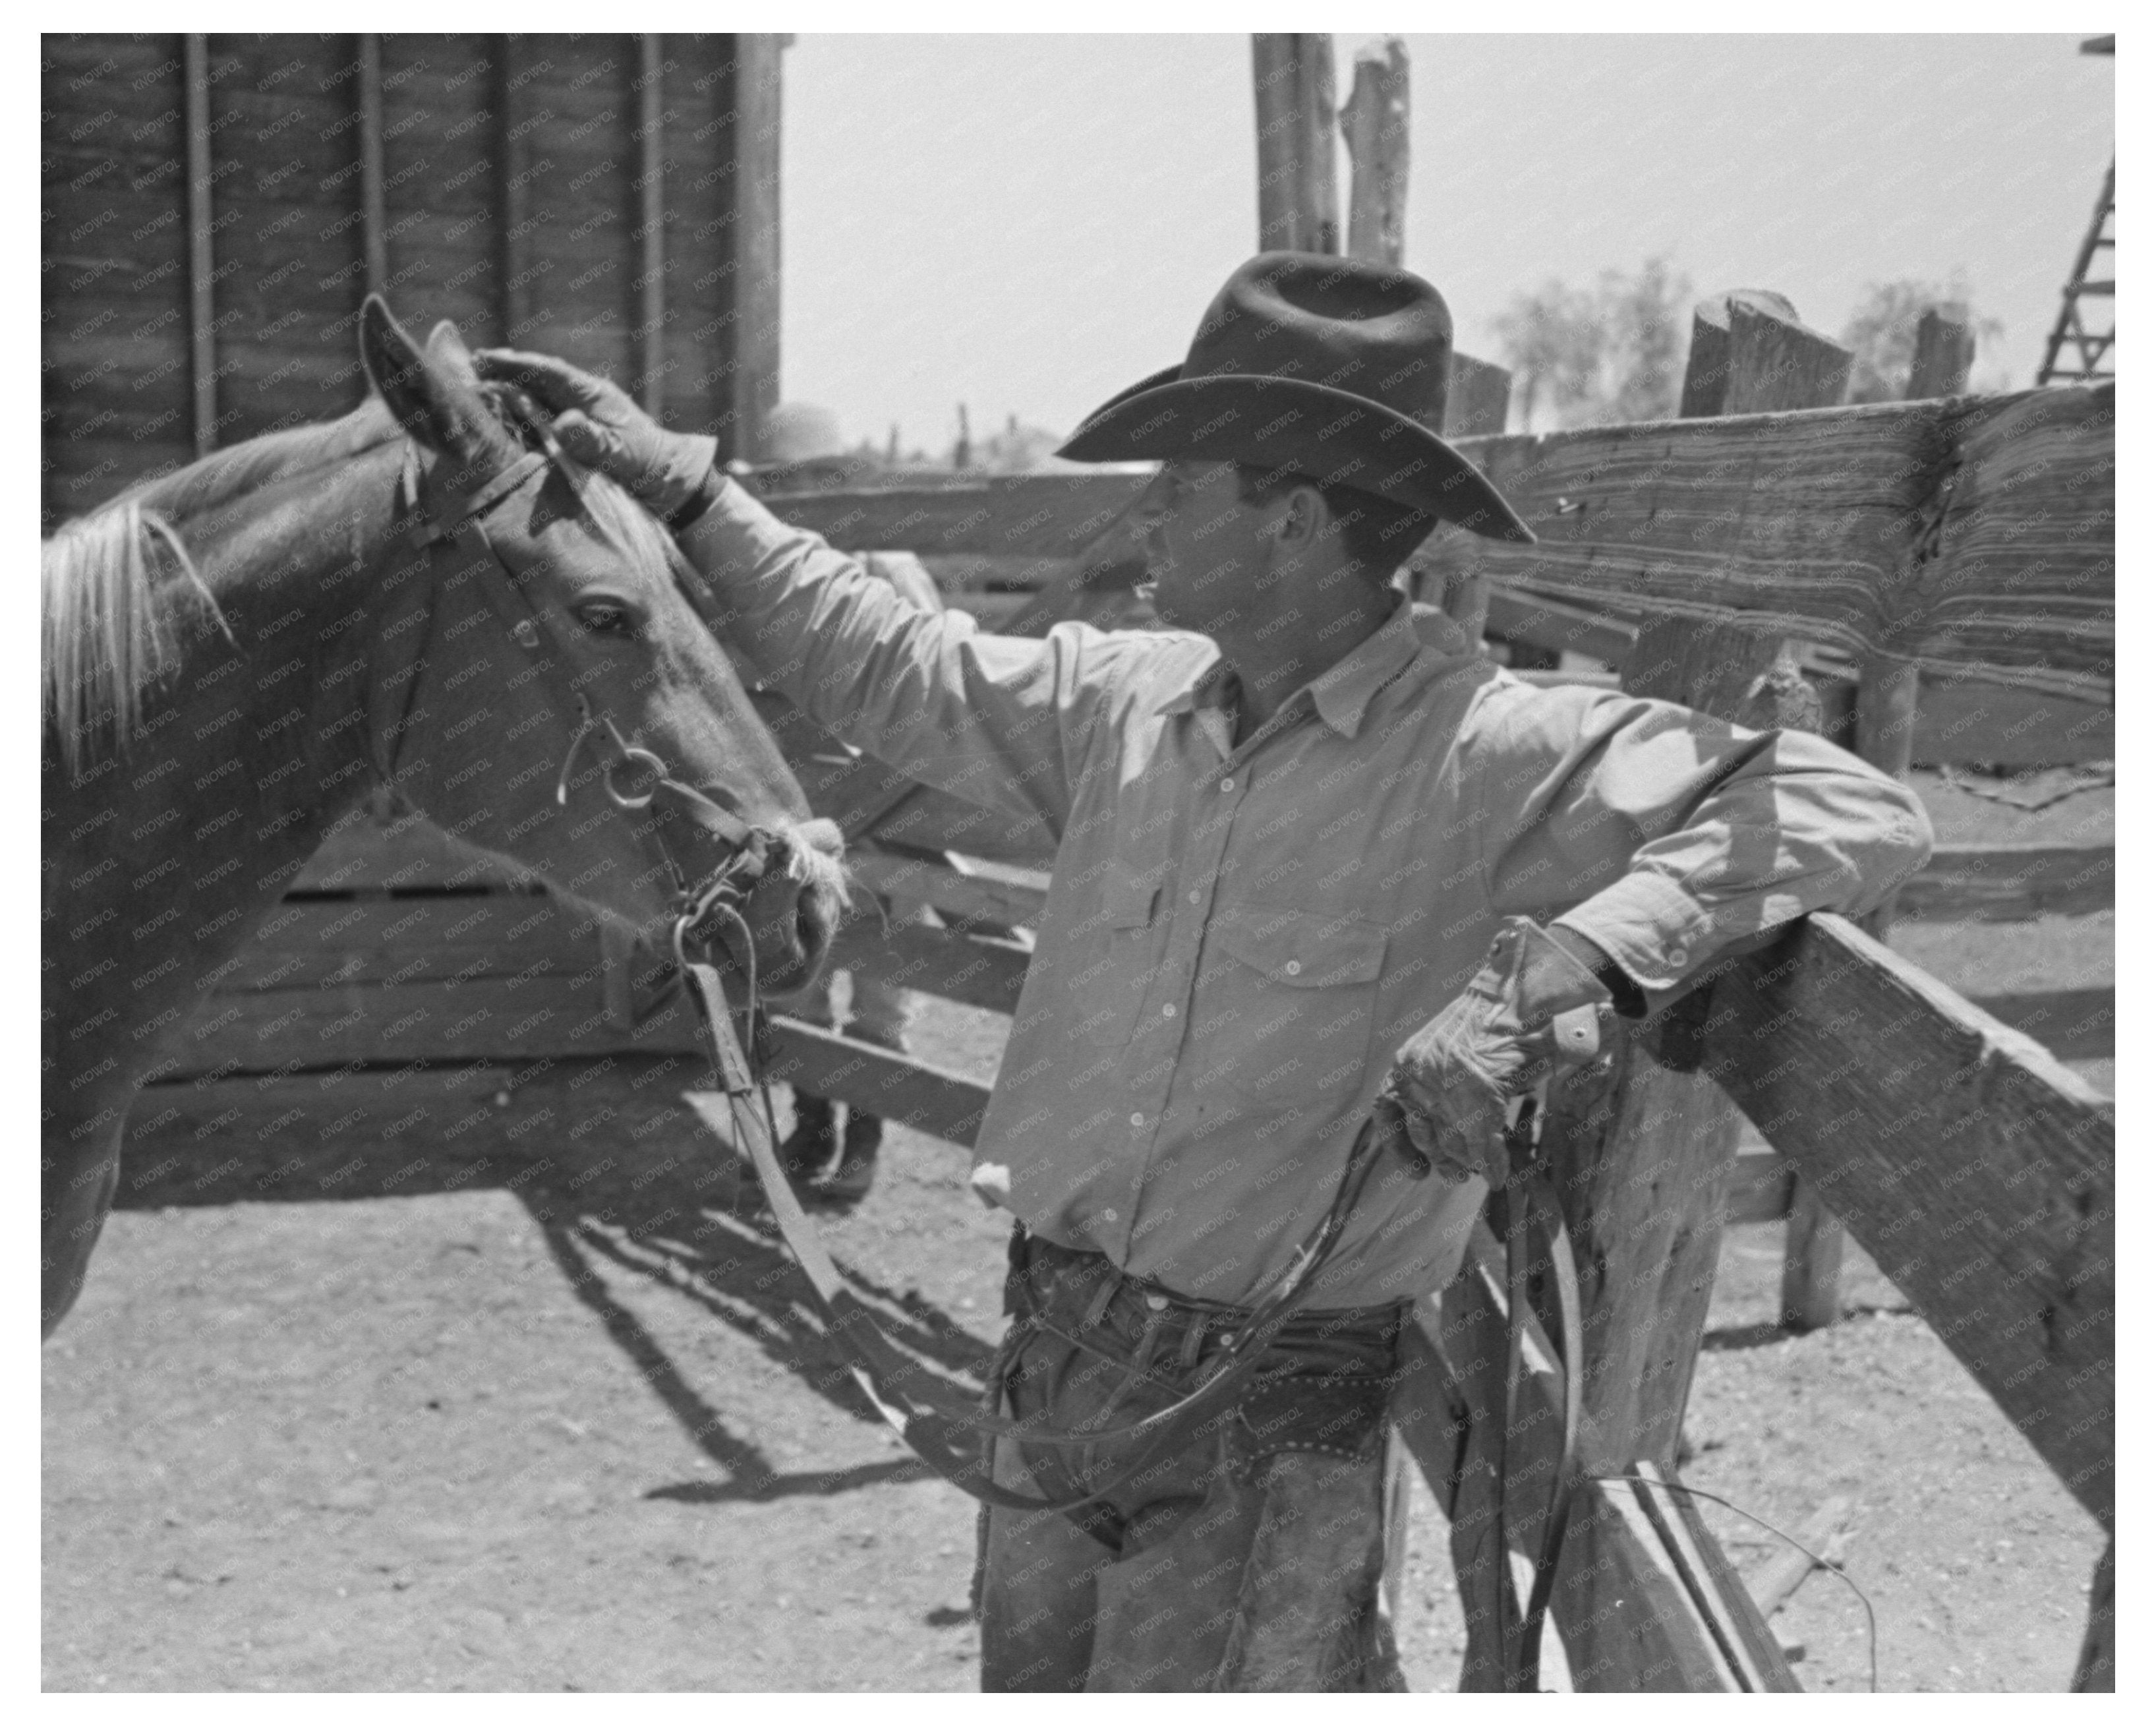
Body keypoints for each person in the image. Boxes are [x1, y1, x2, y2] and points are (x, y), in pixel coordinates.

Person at [478, 252, 1931, 1692]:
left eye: (1182, 476)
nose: (1148, 507)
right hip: (1051, 1364)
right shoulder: (1124, 703)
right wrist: (693, 494)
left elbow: (1853, 806)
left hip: (1262, 1420)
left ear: (1292, 518)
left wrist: (1554, 968)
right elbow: (891, 661)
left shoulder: (1481, 753)